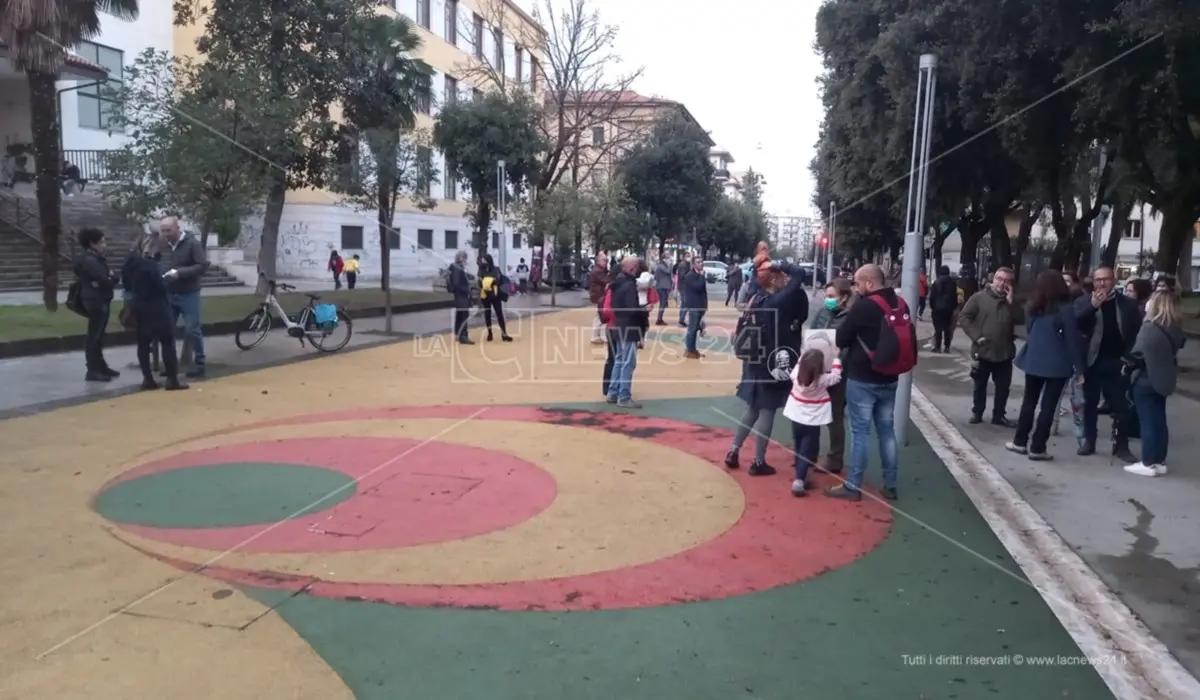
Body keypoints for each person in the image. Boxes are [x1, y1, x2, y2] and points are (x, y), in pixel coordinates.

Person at [828, 263, 915, 501]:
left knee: (860, 433)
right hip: (891, 377)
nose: (855, 288)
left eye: (857, 283)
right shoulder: (901, 303)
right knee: (886, 431)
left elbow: (842, 338)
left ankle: (853, 486)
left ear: (869, 283)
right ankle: (891, 484)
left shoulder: (863, 307)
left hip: (863, 378)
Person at [724, 254, 809, 475]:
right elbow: (800, 273)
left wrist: (764, 266)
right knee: (767, 410)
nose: (784, 278)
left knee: (752, 408)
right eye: (780, 276)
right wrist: (779, 264)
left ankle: (733, 451)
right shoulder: (777, 302)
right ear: (772, 279)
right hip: (771, 362)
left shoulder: (756, 298)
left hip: (754, 360)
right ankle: (759, 461)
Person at [1006, 271, 1086, 460]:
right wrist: (1079, 369)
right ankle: (1038, 448)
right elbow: (1072, 340)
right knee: (1048, 407)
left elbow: (1028, 330)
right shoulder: (1066, 309)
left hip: (1034, 360)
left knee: (1029, 402)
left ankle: (1019, 442)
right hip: (1058, 364)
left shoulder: (1032, 307)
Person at [1074, 266, 1141, 461]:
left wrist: (1129, 358)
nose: (1102, 283)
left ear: (1114, 281)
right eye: (1098, 280)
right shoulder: (1083, 302)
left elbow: (1136, 334)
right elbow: (1075, 324)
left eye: (1106, 279)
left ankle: (1121, 446)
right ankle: (1089, 441)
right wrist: (1093, 306)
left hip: (1117, 361)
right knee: (1090, 403)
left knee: (1121, 406)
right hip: (1092, 361)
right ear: (1093, 282)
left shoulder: (1127, 304)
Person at [1124, 289, 1185, 477]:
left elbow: (1137, 353)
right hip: (1164, 379)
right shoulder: (1173, 328)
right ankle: (1159, 460)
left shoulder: (1150, 328)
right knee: (1159, 420)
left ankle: (1148, 462)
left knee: (1147, 421)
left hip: (1146, 378)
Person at [122, 235, 188, 391]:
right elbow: (160, 286)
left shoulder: (130, 263)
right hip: (157, 307)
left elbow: (126, 283)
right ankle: (172, 379)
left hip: (138, 305)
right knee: (167, 341)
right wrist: (170, 278)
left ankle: (147, 378)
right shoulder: (149, 265)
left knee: (143, 342)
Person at [958, 266, 1020, 426]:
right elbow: (964, 317)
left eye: (1006, 281)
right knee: (980, 385)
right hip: (983, 350)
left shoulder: (1013, 301)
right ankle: (977, 412)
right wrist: (976, 336)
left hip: (1004, 351)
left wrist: (1012, 302)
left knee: (1003, 387)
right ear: (993, 279)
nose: (1002, 283)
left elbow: (1021, 322)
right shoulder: (979, 298)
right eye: (999, 279)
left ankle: (999, 415)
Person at [782, 347, 843, 497]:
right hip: (813, 419)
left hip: (796, 414)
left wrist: (803, 352)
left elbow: (797, 366)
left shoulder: (796, 375)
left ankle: (801, 472)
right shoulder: (822, 380)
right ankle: (799, 480)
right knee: (807, 449)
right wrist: (836, 358)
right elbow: (836, 376)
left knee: (798, 444)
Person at [808, 277, 854, 473]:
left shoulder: (850, 318)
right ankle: (809, 455)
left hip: (838, 373)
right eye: (826, 296)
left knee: (834, 418)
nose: (828, 300)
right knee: (812, 414)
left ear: (844, 297)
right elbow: (811, 334)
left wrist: (836, 361)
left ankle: (834, 460)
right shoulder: (822, 312)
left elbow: (850, 347)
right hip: (817, 371)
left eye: (832, 296)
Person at [158, 216, 209, 378]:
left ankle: (199, 363)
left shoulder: (192, 243)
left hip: (189, 292)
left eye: (168, 230)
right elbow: (160, 261)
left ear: (177, 228)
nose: (166, 234)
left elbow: (202, 265)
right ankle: (170, 365)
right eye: (163, 230)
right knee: (167, 330)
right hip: (169, 292)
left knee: (192, 328)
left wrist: (180, 273)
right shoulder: (163, 244)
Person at [73, 227, 119, 382]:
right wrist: (111, 278)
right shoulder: (90, 260)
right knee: (94, 336)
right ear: (92, 243)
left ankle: (100, 366)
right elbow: (106, 280)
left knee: (98, 335)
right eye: (102, 241)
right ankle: (92, 369)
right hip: (95, 301)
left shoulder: (93, 258)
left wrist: (109, 278)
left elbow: (106, 278)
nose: (104, 244)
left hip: (97, 298)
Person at [605, 257, 644, 408]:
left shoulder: (617, 284)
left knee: (619, 360)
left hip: (618, 326)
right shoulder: (629, 285)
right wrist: (642, 310)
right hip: (629, 327)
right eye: (637, 267)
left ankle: (613, 392)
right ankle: (624, 396)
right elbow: (631, 309)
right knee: (628, 362)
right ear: (632, 268)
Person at [477, 253, 512, 342]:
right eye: (482, 260)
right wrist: (485, 284)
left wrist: (492, 282)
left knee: (499, 314)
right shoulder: (481, 270)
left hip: (495, 295)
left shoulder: (496, 269)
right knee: (487, 314)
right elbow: (479, 283)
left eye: (484, 260)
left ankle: (504, 334)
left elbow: (499, 280)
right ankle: (490, 333)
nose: (483, 261)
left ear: (489, 260)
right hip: (485, 295)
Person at [680, 256, 709, 359]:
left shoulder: (698, 274)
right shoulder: (690, 276)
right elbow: (698, 287)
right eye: (698, 262)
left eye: (701, 261)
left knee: (695, 328)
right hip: (694, 306)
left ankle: (692, 349)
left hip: (700, 305)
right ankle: (689, 350)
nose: (701, 263)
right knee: (692, 329)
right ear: (694, 264)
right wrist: (701, 276)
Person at [927, 265, 958, 352]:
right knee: (948, 328)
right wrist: (953, 307)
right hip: (948, 310)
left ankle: (938, 347)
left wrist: (933, 307)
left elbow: (932, 297)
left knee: (938, 329)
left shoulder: (936, 283)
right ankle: (947, 347)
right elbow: (954, 297)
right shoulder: (952, 283)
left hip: (937, 310)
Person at [448, 251, 474, 344]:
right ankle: (463, 336)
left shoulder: (458, 268)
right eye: (465, 258)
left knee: (460, 315)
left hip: (460, 295)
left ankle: (458, 334)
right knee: (463, 316)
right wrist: (467, 289)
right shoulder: (456, 268)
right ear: (461, 258)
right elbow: (457, 283)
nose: (466, 260)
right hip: (461, 295)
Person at [587, 254, 610, 344]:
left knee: (598, 316)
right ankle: (596, 336)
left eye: (606, 260)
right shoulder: (598, 271)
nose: (606, 262)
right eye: (604, 260)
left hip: (597, 295)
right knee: (600, 316)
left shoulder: (598, 270)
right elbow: (606, 280)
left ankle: (596, 336)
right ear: (598, 261)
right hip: (599, 296)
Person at [652, 257, 672, 325]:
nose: (669, 260)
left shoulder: (659, 266)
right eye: (667, 258)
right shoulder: (661, 266)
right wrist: (670, 264)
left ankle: (660, 318)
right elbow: (668, 271)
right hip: (662, 286)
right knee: (662, 303)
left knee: (663, 303)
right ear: (663, 259)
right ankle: (659, 319)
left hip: (661, 286)